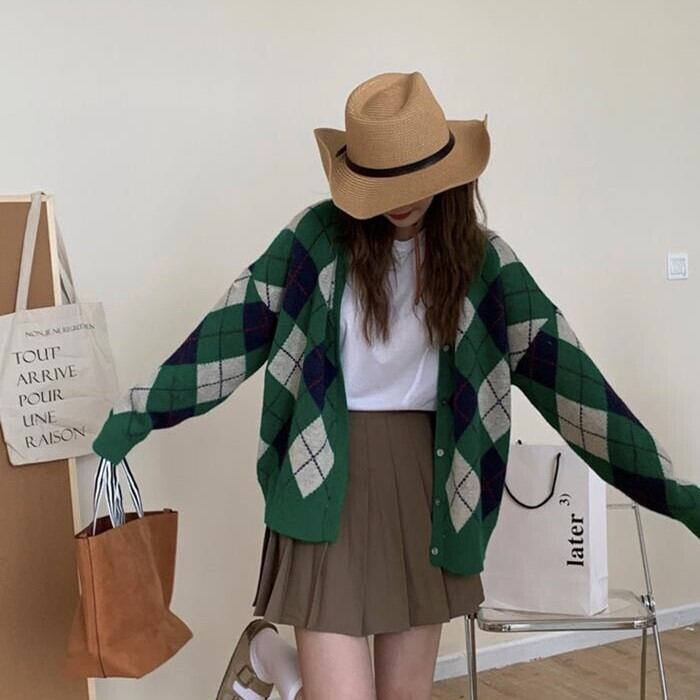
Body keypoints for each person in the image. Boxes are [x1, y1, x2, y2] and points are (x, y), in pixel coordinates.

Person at [90, 71, 700, 700]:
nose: (399, 200)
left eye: (413, 182)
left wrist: (675, 494)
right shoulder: (315, 241)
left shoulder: (485, 265)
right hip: (323, 475)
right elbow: (228, 334)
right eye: (380, 184)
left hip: (430, 484)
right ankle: (270, 652)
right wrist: (138, 415)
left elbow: (576, 388)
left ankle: (276, 661)